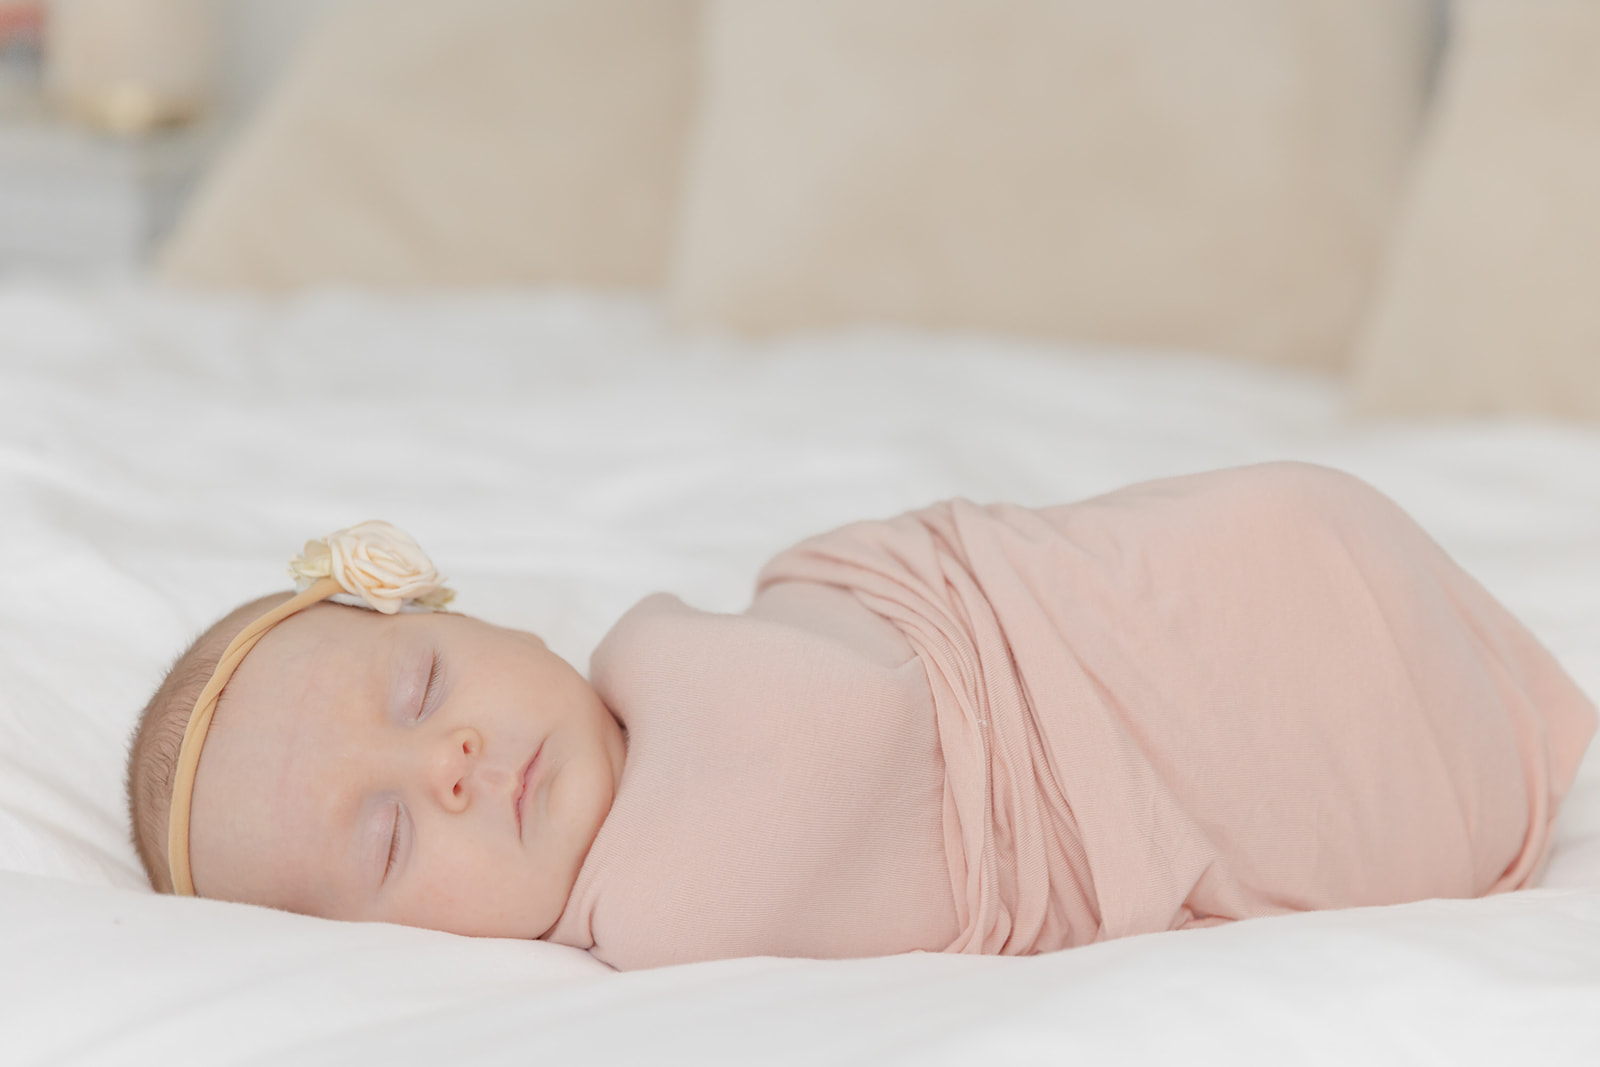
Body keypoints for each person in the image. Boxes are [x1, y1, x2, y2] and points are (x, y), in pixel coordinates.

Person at [125, 462, 1598, 971]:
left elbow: (903, 623)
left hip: (1176, 588)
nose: (445, 766)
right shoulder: (667, 909)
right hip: (1210, 734)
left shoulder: (692, 650)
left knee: (1282, 533)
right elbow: (849, 746)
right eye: (386, 835)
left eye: (420, 687)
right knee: (1331, 733)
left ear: (474, 617)